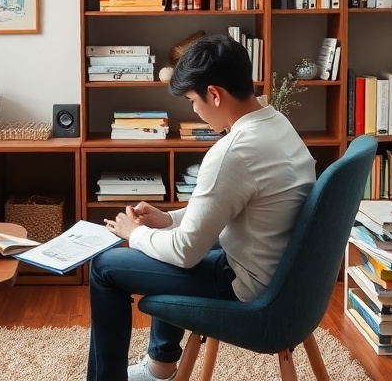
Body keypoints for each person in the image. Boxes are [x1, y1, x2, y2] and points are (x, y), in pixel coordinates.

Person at [86, 34, 316, 381]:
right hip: (276, 273)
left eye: (193, 99)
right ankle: (160, 367)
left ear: (214, 94)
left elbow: (185, 252)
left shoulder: (232, 151)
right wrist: (167, 219)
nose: (193, 109)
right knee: (159, 244)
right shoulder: (277, 124)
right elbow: (227, 210)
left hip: (246, 286)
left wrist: (136, 234)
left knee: (104, 267)